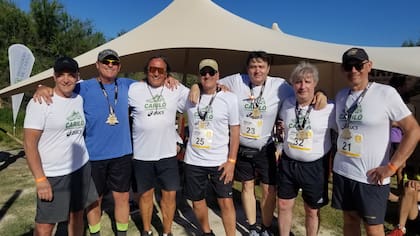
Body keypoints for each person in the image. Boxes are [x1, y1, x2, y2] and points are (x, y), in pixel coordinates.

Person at [190, 51, 327, 236]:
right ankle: (253, 226)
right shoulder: (237, 80)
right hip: (242, 146)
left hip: (265, 146)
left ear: (268, 69)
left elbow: (302, 90)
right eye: (253, 66)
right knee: (247, 186)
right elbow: (210, 80)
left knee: (268, 189)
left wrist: (321, 93)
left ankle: (266, 226)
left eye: (261, 66)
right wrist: (196, 86)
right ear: (247, 69)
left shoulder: (279, 86)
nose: (257, 70)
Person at [34, 49, 135, 236]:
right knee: (94, 200)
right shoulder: (83, 87)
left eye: (114, 62)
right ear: (97, 65)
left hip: (122, 154)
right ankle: (95, 233)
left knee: (122, 198)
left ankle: (122, 234)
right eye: (106, 62)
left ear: (119, 66)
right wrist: (42, 87)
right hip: (93, 157)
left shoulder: (128, 84)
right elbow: (61, 87)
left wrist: (173, 80)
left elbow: (154, 84)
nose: (110, 65)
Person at [331, 47, 420, 236]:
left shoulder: (385, 93)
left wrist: (392, 167)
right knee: (350, 220)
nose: (353, 70)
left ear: (369, 66)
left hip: (371, 177)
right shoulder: (341, 96)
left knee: (373, 228)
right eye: (348, 66)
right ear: (343, 69)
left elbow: (413, 130)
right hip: (344, 171)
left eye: (358, 65)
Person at [23, 56, 97, 236]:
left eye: (71, 75)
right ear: (54, 76)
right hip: (53, 174)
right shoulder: (40, 102)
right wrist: (40, 180)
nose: (66, 79)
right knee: (45, 225)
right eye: (61, 74)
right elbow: (29, 144)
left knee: (77, 214)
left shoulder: (78, 98)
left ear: (77, 77)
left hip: (80, 168)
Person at [128, 56, 189, 236]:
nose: (156, 72)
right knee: (145, 196)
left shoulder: (175, 88)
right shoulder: (134, 89)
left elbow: (198, 95)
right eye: (152, 69)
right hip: (142, 154)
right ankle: (146, 230)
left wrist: (194, 86)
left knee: (169, 195)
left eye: (160, 70)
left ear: (166, 73)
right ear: (146, 71)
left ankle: (167, 231)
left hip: (167, 153)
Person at [277, 61, 335, 236]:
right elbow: (281, 127)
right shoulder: (286, 104)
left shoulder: (329, 108)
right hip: (288, 163)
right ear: (293, 84)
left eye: (308, 81)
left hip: (315, 167)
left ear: (315, 84)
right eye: (298, 82)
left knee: (312, 210)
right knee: (283, 205)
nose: (302, 86)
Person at [183, 59, 240, 236]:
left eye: (211, 72)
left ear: (217, 75)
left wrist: (232, 161)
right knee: (197, 200)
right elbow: (168, 84)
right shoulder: (189, 96)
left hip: (220, 161)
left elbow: (235, 132)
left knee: (226, 201)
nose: (207, 76)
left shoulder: (229, 98)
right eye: (203, 73)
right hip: (194, 160)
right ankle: (207, 232)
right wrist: (193, 86)